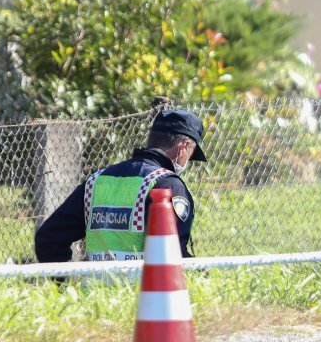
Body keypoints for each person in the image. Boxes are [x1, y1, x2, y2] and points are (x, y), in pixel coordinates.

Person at [34, 108, 207, 263]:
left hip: (96, 295)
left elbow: (48, 240)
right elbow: (174, 255)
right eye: (191, 154)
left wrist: (69, 284)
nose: (188, 161)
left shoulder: (96, 181)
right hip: (146, 295)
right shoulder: (168, 185)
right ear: (183, 147)